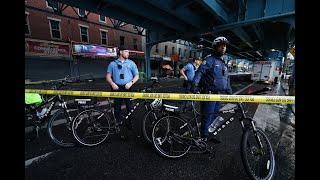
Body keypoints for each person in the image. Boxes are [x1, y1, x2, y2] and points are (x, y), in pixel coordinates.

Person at [191, 37, 232, 141]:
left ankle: (209, 134)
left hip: (218, 94)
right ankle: (204, 137)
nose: (223, 47)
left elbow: (226, 77)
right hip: (209, 94)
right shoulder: (209, 60)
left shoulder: (223, 62)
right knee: (207, 116)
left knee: (214, 115)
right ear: (215, 47)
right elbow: (200, 72)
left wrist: (228, 90)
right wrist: (194, 85)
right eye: (221, 45)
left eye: (225, 46)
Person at [106, 47, 139, 130]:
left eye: (128, 51)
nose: (128, 53)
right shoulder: (112, 64)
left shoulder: (131, 63)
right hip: (116, 87)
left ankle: (130, 122)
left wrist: (131, 83)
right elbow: (108, 76)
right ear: (121, 52)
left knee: (129, 106)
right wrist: (112, 83)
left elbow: (137, 76)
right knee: (117, 107)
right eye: (126, 51)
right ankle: (118, 123)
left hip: (128, 87)